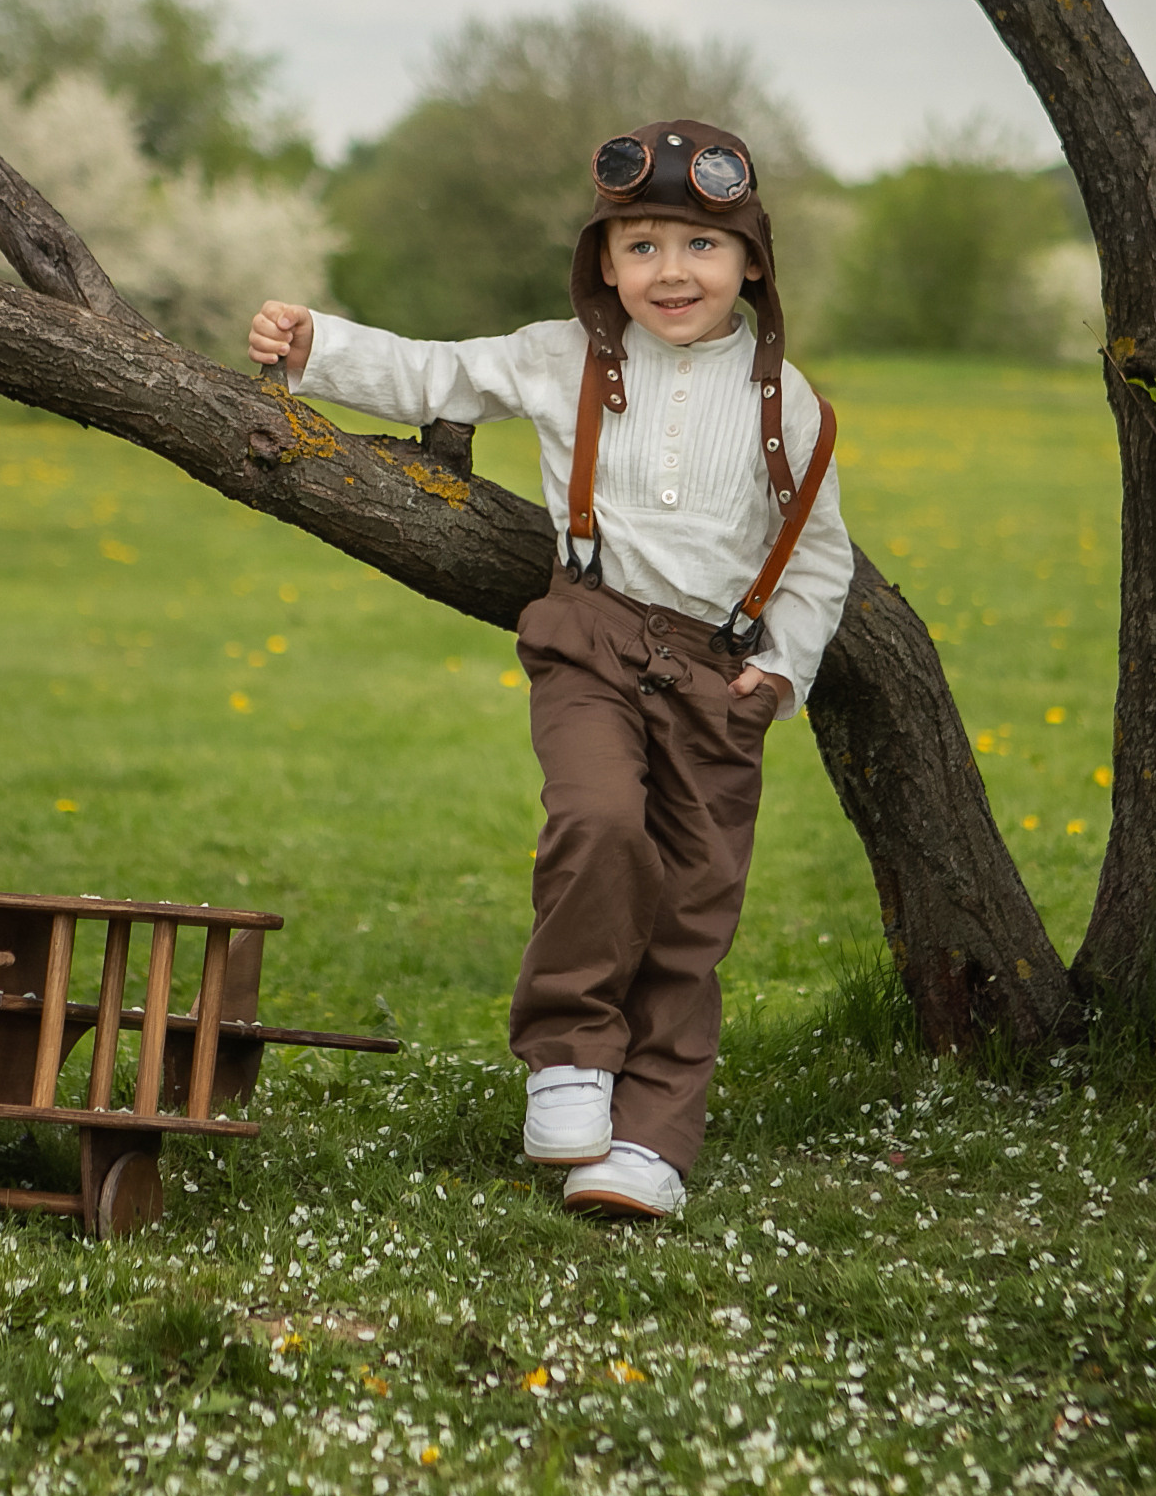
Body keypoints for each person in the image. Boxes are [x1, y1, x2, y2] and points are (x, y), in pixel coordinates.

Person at [247, 122, 851, 1219]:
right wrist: (312, 346)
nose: (672, 272)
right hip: (594, 638)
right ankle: (571, 1056)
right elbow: (437, 373)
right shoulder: (566, 354)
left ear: (751, 261)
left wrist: (782, 666)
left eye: (701, 247)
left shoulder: (788, 402)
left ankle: (653, 1140)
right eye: (642, 246)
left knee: (693, 907)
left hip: (720, 673)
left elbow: (818, 555)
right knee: (598, 821)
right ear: (604, 262)